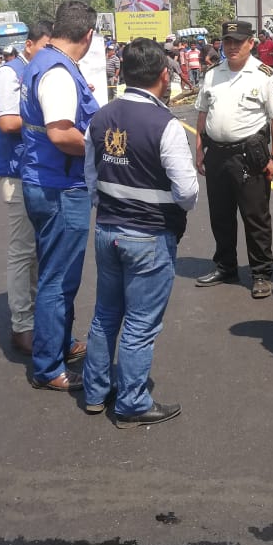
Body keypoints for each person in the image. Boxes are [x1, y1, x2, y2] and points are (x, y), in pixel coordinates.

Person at [81, 38, 199, 428]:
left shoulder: (99, 119)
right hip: (148, 236)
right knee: (140, 323)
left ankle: (96, 392)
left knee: (105, 315)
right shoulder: (164, 124)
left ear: (122, 73)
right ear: (164, 77)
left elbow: (90, 179)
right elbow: (186, 192)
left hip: (108, 230)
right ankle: (131, 401)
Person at [20, 0, 100, 393]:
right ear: (88, 36)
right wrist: (100, 147)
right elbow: (60, 132)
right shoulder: (57, 72)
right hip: (60, 187)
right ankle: (49, 366)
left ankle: (60, 344)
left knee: (60, 273)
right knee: (58, 279)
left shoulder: (44, 61)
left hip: (47, 181)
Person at [193, 20, 273, 298]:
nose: (232, 46)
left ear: (251, 43)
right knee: (220, 215)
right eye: (228, 41)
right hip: (217, 155)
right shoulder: (212, 74)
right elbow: (202, 113)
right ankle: (225, 266)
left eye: (238, 41)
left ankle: (261, 273)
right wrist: (199, 150)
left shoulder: (264, 75)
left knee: (255, 217)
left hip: (250, 156)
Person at [0, 20, 50, 355]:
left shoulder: (35, 72)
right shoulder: (10, 74)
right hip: (18, 173)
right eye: (45, 47)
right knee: (23, 251)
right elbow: (9, 122)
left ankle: (37, 318)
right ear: (29, 45)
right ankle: (22, 325)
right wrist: (52, 113)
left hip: (38, 172)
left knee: (37, 252)